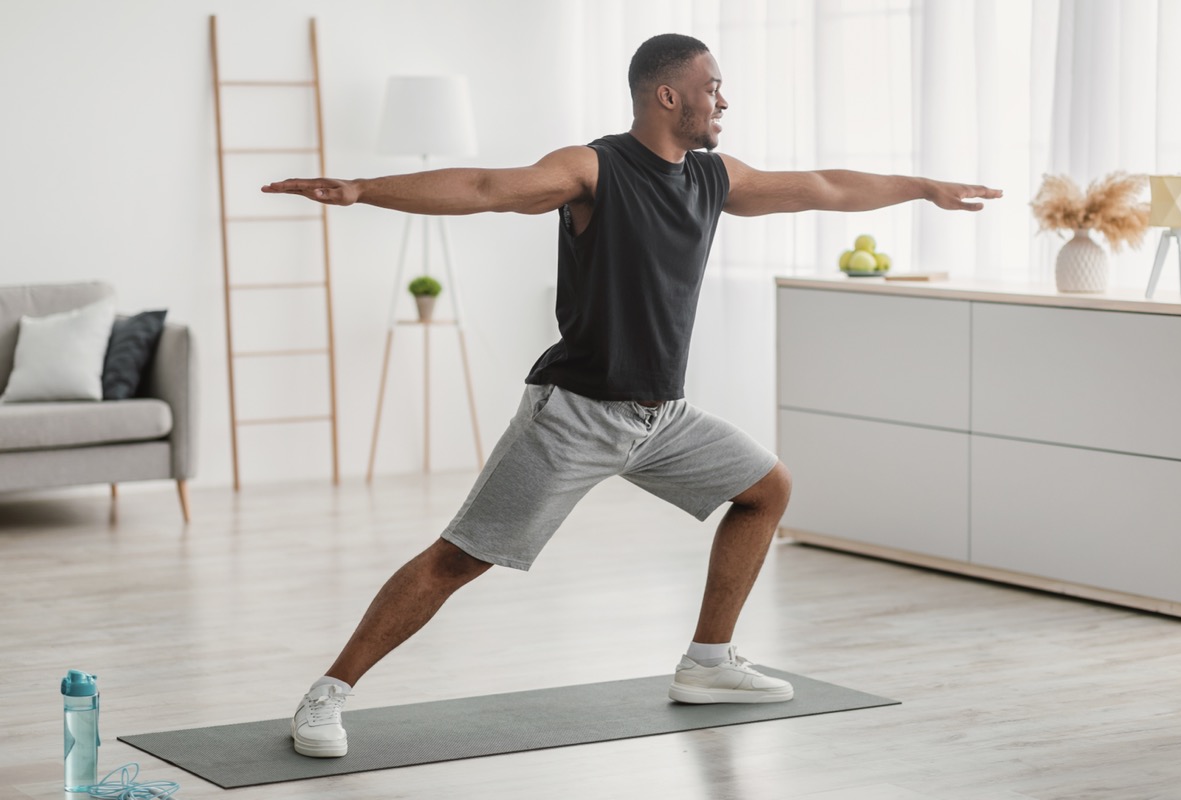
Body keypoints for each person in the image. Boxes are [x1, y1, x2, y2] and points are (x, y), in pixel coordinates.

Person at [263, 33, 1001, 759]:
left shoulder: (713, 178)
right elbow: (488, 188)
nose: (724, 100)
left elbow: (823, 186)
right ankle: (326, 695)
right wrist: (364, 190)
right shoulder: (593, 169)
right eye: (713, 87)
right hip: (575, 415)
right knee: (459, 560)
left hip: (663, 416)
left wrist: (923, 189)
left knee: (766, 489)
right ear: (667, 94)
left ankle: (709, 663)